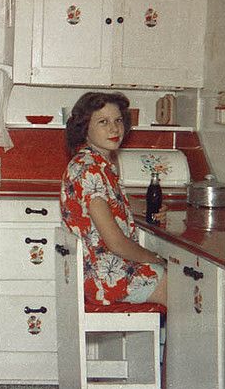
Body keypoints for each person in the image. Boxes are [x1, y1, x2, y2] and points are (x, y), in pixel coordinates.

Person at [60, 92, 167, 307]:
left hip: (102, 271)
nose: (114, 128)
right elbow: (116, 243)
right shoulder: (90, 170)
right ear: (84, 128)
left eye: (118, 120)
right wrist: (155, 258)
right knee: (187, 294)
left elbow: (111, 204)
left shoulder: (94, 162)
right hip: (109, 278)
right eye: (103, 122)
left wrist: (147, 206)